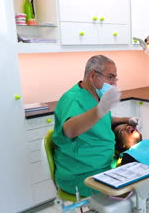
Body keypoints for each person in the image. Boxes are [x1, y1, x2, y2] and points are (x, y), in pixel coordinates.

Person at [52, 55, 141, 197]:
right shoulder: (73, 99)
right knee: (132, 194)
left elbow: (100, 119)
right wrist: (101, 109)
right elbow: (69, 130)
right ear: (93, 75)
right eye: (110, 77)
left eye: (115, 79)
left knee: (144, 179)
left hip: (105, 164)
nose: (114, 84)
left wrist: (126, 119)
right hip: (81, 173)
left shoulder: (95, 96)